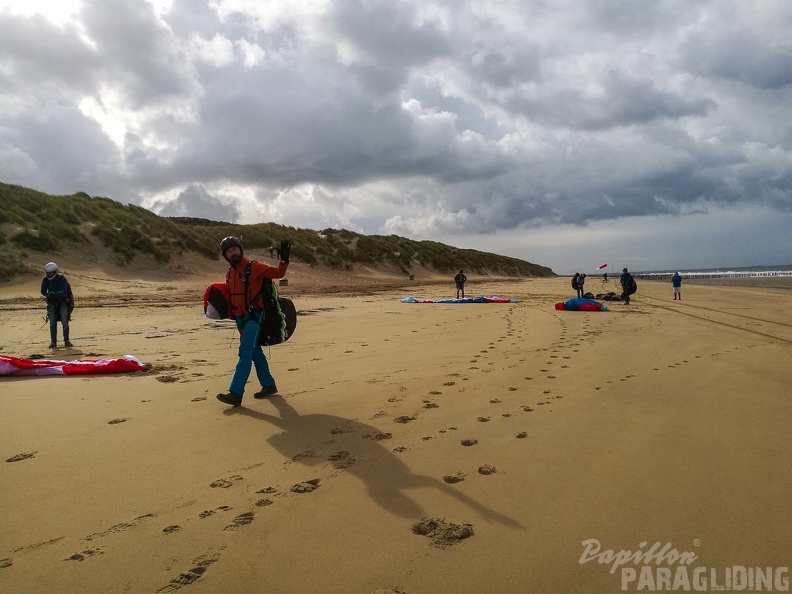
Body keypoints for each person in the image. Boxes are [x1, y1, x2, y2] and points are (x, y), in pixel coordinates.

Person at [216, 236, 291, 407]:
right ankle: (269, 385)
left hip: (254, 318)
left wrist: (284, 260)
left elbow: (278, 273)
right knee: (255, 353)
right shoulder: (230, 273)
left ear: (240, 249)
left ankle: (235, 392)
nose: (233, 253)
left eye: (235, 249)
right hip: (240, 320)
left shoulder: (254, 267)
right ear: (225, 255)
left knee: (245, 353)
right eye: (229, 251)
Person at [40, 262, 74, 348]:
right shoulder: (45, 280)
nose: (48, 274)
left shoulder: (62, 279)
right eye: (47, 273)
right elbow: (43, 291)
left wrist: (53, 293)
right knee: (52, 323)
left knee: (65, 321)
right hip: (52, 303)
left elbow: (64, 292)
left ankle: (67, 341)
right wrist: (48, 295)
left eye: (50, 273)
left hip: (62, 302)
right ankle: (53, 342)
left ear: (55, 272)